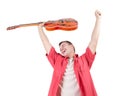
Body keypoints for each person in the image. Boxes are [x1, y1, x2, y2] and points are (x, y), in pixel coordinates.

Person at [38, 10, 101, 96]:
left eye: (63, 45)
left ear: (72, 46)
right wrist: (40, 30)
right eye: (60, 48)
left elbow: (94, 41)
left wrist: (98, 19)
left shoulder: (84, 59)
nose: (61, 49)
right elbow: (46, 43)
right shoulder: (57, 60)